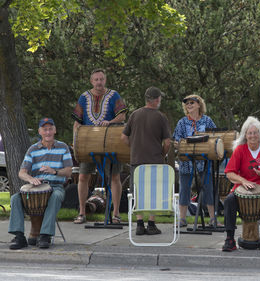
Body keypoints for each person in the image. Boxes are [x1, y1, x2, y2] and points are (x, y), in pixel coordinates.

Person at [72, 68, 127, 224]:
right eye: (96, 79)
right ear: (91, 81)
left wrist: (110, 122)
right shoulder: (84, 97)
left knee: (115, 177)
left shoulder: (114, 95)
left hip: (111, 141)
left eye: (101, 79)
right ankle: (82, 212)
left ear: (105, 80)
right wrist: (76, 141)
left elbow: (122, 115)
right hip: (88, 142)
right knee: (83, 177)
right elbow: (77, 121)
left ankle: (116, 214)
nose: (99, 82)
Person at [9, 118, 72, 249]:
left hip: (56, 186)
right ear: (40, 132)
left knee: (54, 197)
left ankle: (44, 236)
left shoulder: (63, 147)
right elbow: (21, 172)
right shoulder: (33, 149)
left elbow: (68, 172)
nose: (48, 132)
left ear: (55, 130)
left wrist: (54, 171)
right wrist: (30, 179)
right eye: (45, 129)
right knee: (15, 198)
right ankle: (19, 236)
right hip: (36, 186)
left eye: (50, 129)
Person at [222, 116, 260, 252]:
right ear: (245, 135)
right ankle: (229, 239)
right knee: (229, 201)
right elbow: (229, 173)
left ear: (259, 134)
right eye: (250, 133)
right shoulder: (240, 150)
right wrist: (243, 181)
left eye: (255, 133)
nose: (253, 136)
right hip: (241, 189)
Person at [122, 86, 172, 235]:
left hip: (137, 160)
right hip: (155, 160)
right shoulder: (161, 117)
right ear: (157, 100)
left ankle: (139, 224)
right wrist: (162, 154)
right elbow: (168, 142)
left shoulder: (135, 114)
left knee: (137, 192)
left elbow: (124, 137)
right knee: (153, 193)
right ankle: (151, 224)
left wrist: (134, 147)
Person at [173, 94, 221, 228]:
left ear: (199, 105)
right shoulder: (182, 122)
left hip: (205, 161)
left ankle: (213, 218)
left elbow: (215, 138)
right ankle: (182, 219)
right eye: (187, 104)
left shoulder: (207, 121)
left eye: (192, 103)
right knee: (184, 189)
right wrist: (180, 144)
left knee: (208, 188)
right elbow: (176, 140)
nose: (189, 105)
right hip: (186, 161)